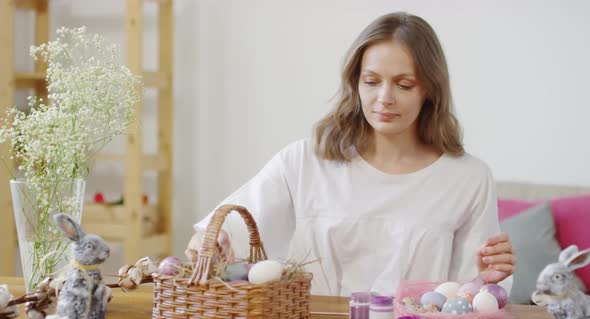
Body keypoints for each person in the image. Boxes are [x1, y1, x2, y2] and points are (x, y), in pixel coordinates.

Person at [186, 12, 515, 296]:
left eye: (404, 85)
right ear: (355, 83)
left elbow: (468, 293)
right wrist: (209, 241)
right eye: (371, 81)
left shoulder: (468, 178)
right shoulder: (304, 161)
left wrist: (488, 281)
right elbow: (231, 229)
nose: (384, 98)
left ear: (430, 89)